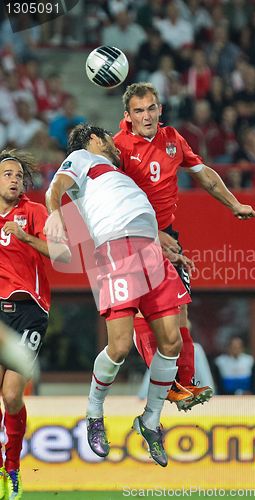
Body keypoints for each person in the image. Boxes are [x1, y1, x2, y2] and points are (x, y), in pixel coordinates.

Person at [44, 123, 192, 468]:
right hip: (116, 251)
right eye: (108, 137)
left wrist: (161, 240)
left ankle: (150, 421)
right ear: (95, 140)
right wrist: (55, 213)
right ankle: (94, 413)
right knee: (120, 346)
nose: (114, 143)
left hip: (150, 250)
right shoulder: (82, 158)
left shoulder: (119, 175)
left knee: (172, 342)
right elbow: (57, 186)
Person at [114, 82, 255, 411]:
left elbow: (203, 174)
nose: (147, 115)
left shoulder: (172, 139)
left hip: (168, 235)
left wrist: (233, 204)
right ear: (128, 116)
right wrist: (150, 235)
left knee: (181, 313)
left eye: (151, 108)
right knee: (141, 313)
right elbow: (113, 200)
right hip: (131, 238)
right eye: (139, 110)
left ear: (160, 109)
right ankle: (166, 383)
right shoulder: (117, 147)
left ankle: (185, 384)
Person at [0, 150, 70, 499]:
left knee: (12, 395)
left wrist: (26, 238)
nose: (14, 179)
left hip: (28, 312)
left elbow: (64, 255)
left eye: (18, 175)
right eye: (7, 174)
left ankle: (11, 468)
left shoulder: (35, 212)